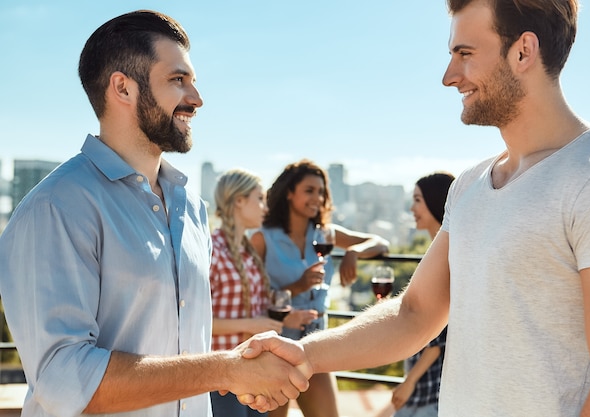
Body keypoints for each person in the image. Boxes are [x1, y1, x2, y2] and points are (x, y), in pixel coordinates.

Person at [241, 1, 590, 416]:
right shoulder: (470, 185)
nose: (449, 77)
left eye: (464, 54)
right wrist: (304, 353)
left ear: (523, 51)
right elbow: (414, 313)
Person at [0, 10, 308, 417]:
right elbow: (65, 381)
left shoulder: (192, 210)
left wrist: (241, 371)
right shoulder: (55, 208)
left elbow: (186, 351)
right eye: (178, 80)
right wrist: (225, 370)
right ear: (123, 88)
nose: (196, 98)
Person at [250, 159, 390, 417]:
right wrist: (297, 286)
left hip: (317, 347)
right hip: (274, 347)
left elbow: (380, 242)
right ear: (289, 193)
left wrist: (353, 251)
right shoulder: (263, 238)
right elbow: (251, 300)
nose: (318, 198)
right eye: (309, 190)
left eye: (321, 191)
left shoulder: (326, 234)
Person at [209, 168, 318, 417]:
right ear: (239, 201)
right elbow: (196, 320)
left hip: (253, 372)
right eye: (259, 199)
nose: (265, 208)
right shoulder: (211, 249)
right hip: (222, 376)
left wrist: (286, 318)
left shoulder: (248, 253)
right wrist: (253, 323)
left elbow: (254, 305)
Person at [391, 172, 455, 417]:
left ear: (435, 201)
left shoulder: (447, 256)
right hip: (425, 386)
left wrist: (409, 382)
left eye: (418, 200)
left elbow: (440, 338)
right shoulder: (437, 253)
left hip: (430, 388)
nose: (411, 208)